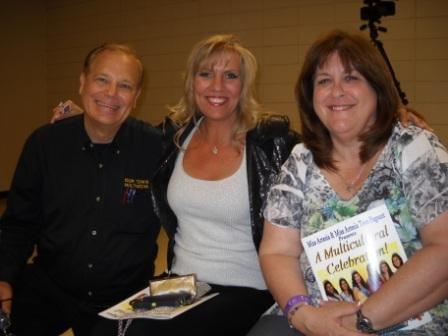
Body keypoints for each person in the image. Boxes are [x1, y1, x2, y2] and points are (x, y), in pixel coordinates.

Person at [88, 34, 300, 336]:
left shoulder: (271, 142)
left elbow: (325, 158)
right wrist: (78, 121)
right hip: (181, 285)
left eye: (230, 76)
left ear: (244, 85)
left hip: (246, 288)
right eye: (205, 74)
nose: (216, 87)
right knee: (104, 330)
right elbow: (119, 128)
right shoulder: (175, 137)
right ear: (192, 82)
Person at [248, 30, 448, 336]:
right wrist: (302, 314)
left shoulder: (414, 148)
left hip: (407, 318)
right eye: (324, 81)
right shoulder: (300, 160)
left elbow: (443, 247)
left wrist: (359, 321)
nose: (336, 92)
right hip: (313, 316)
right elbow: (277, 252)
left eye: (351, 78)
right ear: (310, 95)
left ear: (377, 88)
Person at [0, 43, 163, 335]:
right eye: (102, 80)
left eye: (124, 85)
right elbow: (18, 224)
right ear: (82, 82)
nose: (111, 94)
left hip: (124, 299)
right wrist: (3, 277)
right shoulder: (44, 144)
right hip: (50, 287)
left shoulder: (155, 149)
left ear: (136, 97)